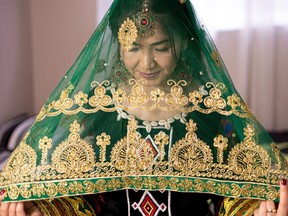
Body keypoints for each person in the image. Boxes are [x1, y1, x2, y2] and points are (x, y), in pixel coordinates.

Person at [0, 0, 287, 215]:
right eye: (134, 48)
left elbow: (236, 192)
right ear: (118, 45)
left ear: (183, 42)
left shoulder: (211, 108)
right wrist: (39, 209)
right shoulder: (97, 109)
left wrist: (256, 210)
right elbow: (73, 193)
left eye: (160, 48)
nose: (147, 64)